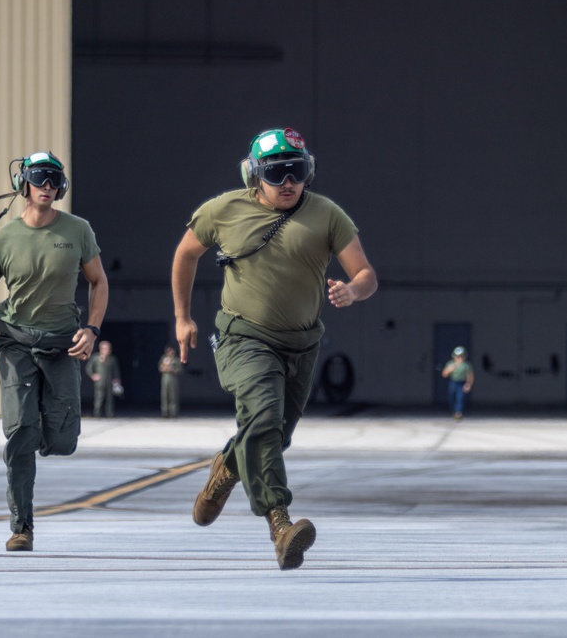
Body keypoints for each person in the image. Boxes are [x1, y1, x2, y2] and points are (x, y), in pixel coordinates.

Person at [171, 127, 378, 570]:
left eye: (297, 171)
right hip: (243, 338)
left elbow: (366, 274)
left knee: (275, 435)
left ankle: (226, 469)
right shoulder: (223, 210)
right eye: (276, 172)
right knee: (263, 417)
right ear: (254, 174)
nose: (288, 181)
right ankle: (280, 525)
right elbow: (186, 254)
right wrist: (183, 317)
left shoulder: (327, 214)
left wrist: (353, 292)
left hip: (301, 345)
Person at [0, 151, 108, 552]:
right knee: (20, 433)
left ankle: (43, 433)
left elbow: (99, 282)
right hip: (15, 342)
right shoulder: (5, 239)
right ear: (23, 185)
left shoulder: (78, 231)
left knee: (63, 440)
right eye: (40, 178)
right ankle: (21, 526)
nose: (48, 186)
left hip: (62, 344)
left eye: (54, 180)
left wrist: (92, 330)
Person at [86, 340, 121, 417]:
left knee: (109, 398)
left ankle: (109, 413)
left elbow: (116, 370)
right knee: (99, 397)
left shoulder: (112, 359)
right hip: (100, 382)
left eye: (108, 349)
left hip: (109, 381)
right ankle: (97, 412)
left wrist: (117, 379)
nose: (107, 350)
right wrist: (93, 375)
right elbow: (89, 368)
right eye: (105, 348)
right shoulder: (96, 358)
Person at [441, 346, 474, 421]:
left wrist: (468, 384)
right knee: (452, 397)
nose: (459, 358)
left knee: (460, 398)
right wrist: (450, 369)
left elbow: (470, 375)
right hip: (453, 382)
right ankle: (454, 411)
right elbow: (444, 374)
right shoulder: (450, 363)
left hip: (461, 383)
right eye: (457, 356)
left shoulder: (466, 365)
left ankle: (458, 412)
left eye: (461, 356)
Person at [158, 345, 183, 418]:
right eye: (168, 351)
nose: (169, 353)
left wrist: (173, 370)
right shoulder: (164, 359)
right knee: (164, 395)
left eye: (171, 351)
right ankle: (164, 412)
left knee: (173, 396)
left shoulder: (176, 360)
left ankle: (173, 412)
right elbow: (160, 367)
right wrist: (164, 368)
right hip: (165, 379)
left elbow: (179, 369)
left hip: (173, 379)